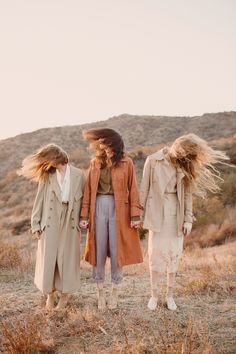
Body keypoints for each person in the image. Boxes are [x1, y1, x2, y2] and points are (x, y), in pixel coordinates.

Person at [140, 133, 229, 311]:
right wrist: (138, 216)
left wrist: (188, 220)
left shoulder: (184, 165)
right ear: (178, 148)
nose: (184, 157)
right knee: (155, 255)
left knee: (173, 255)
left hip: (176, 212)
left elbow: (187, 195)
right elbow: (144, 189)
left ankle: (170, 296)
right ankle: (154, 295)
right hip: (157, 212)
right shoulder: (153, 160)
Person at [79, 128, 143, 310]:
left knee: (117, 252)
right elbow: (88, 191)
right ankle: (100, 293)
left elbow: (134, 189)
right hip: (98, 206)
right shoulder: (95, 163)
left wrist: (135, 215)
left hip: (120, 209)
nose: (102, 146)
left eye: (105, 143)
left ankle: (114, 293)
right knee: (98, 251)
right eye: (100, 143)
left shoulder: (126, 162)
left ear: (114, 144)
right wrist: (84, 215)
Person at [18, 144, 85, 309]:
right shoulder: (47, 175)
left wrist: (84, 218)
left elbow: (85, 201)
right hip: (50, 219)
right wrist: (35, 225)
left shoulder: (79, 174)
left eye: (48, 159)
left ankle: (64, 296)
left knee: (66, 259)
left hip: (70, 220)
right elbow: (39, 200)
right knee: (49, 258)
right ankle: (49, 295)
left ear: (56, 158)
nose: (47, 163)